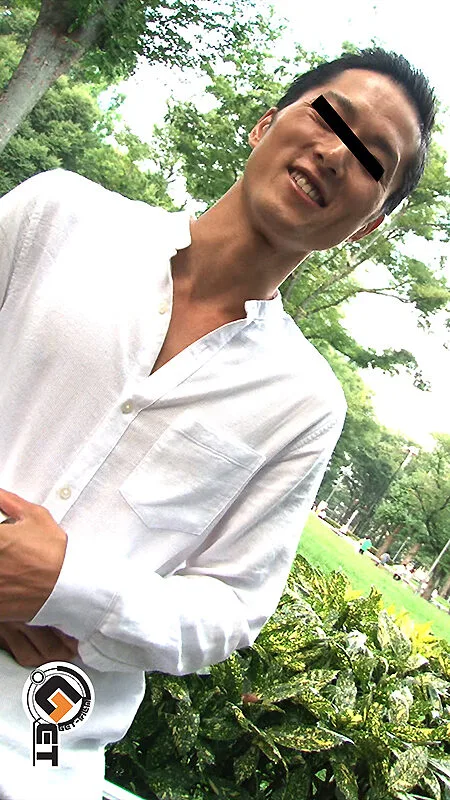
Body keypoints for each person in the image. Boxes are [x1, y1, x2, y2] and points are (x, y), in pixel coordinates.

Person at [0, 46, 435, 799]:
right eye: (329, 117)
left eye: (373, 160)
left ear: (367, 226)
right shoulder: (58, 217)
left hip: (36, 755)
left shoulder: (303, 405)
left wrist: (69, 587)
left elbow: (230, 609)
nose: (337, 153)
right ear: (266, 123)